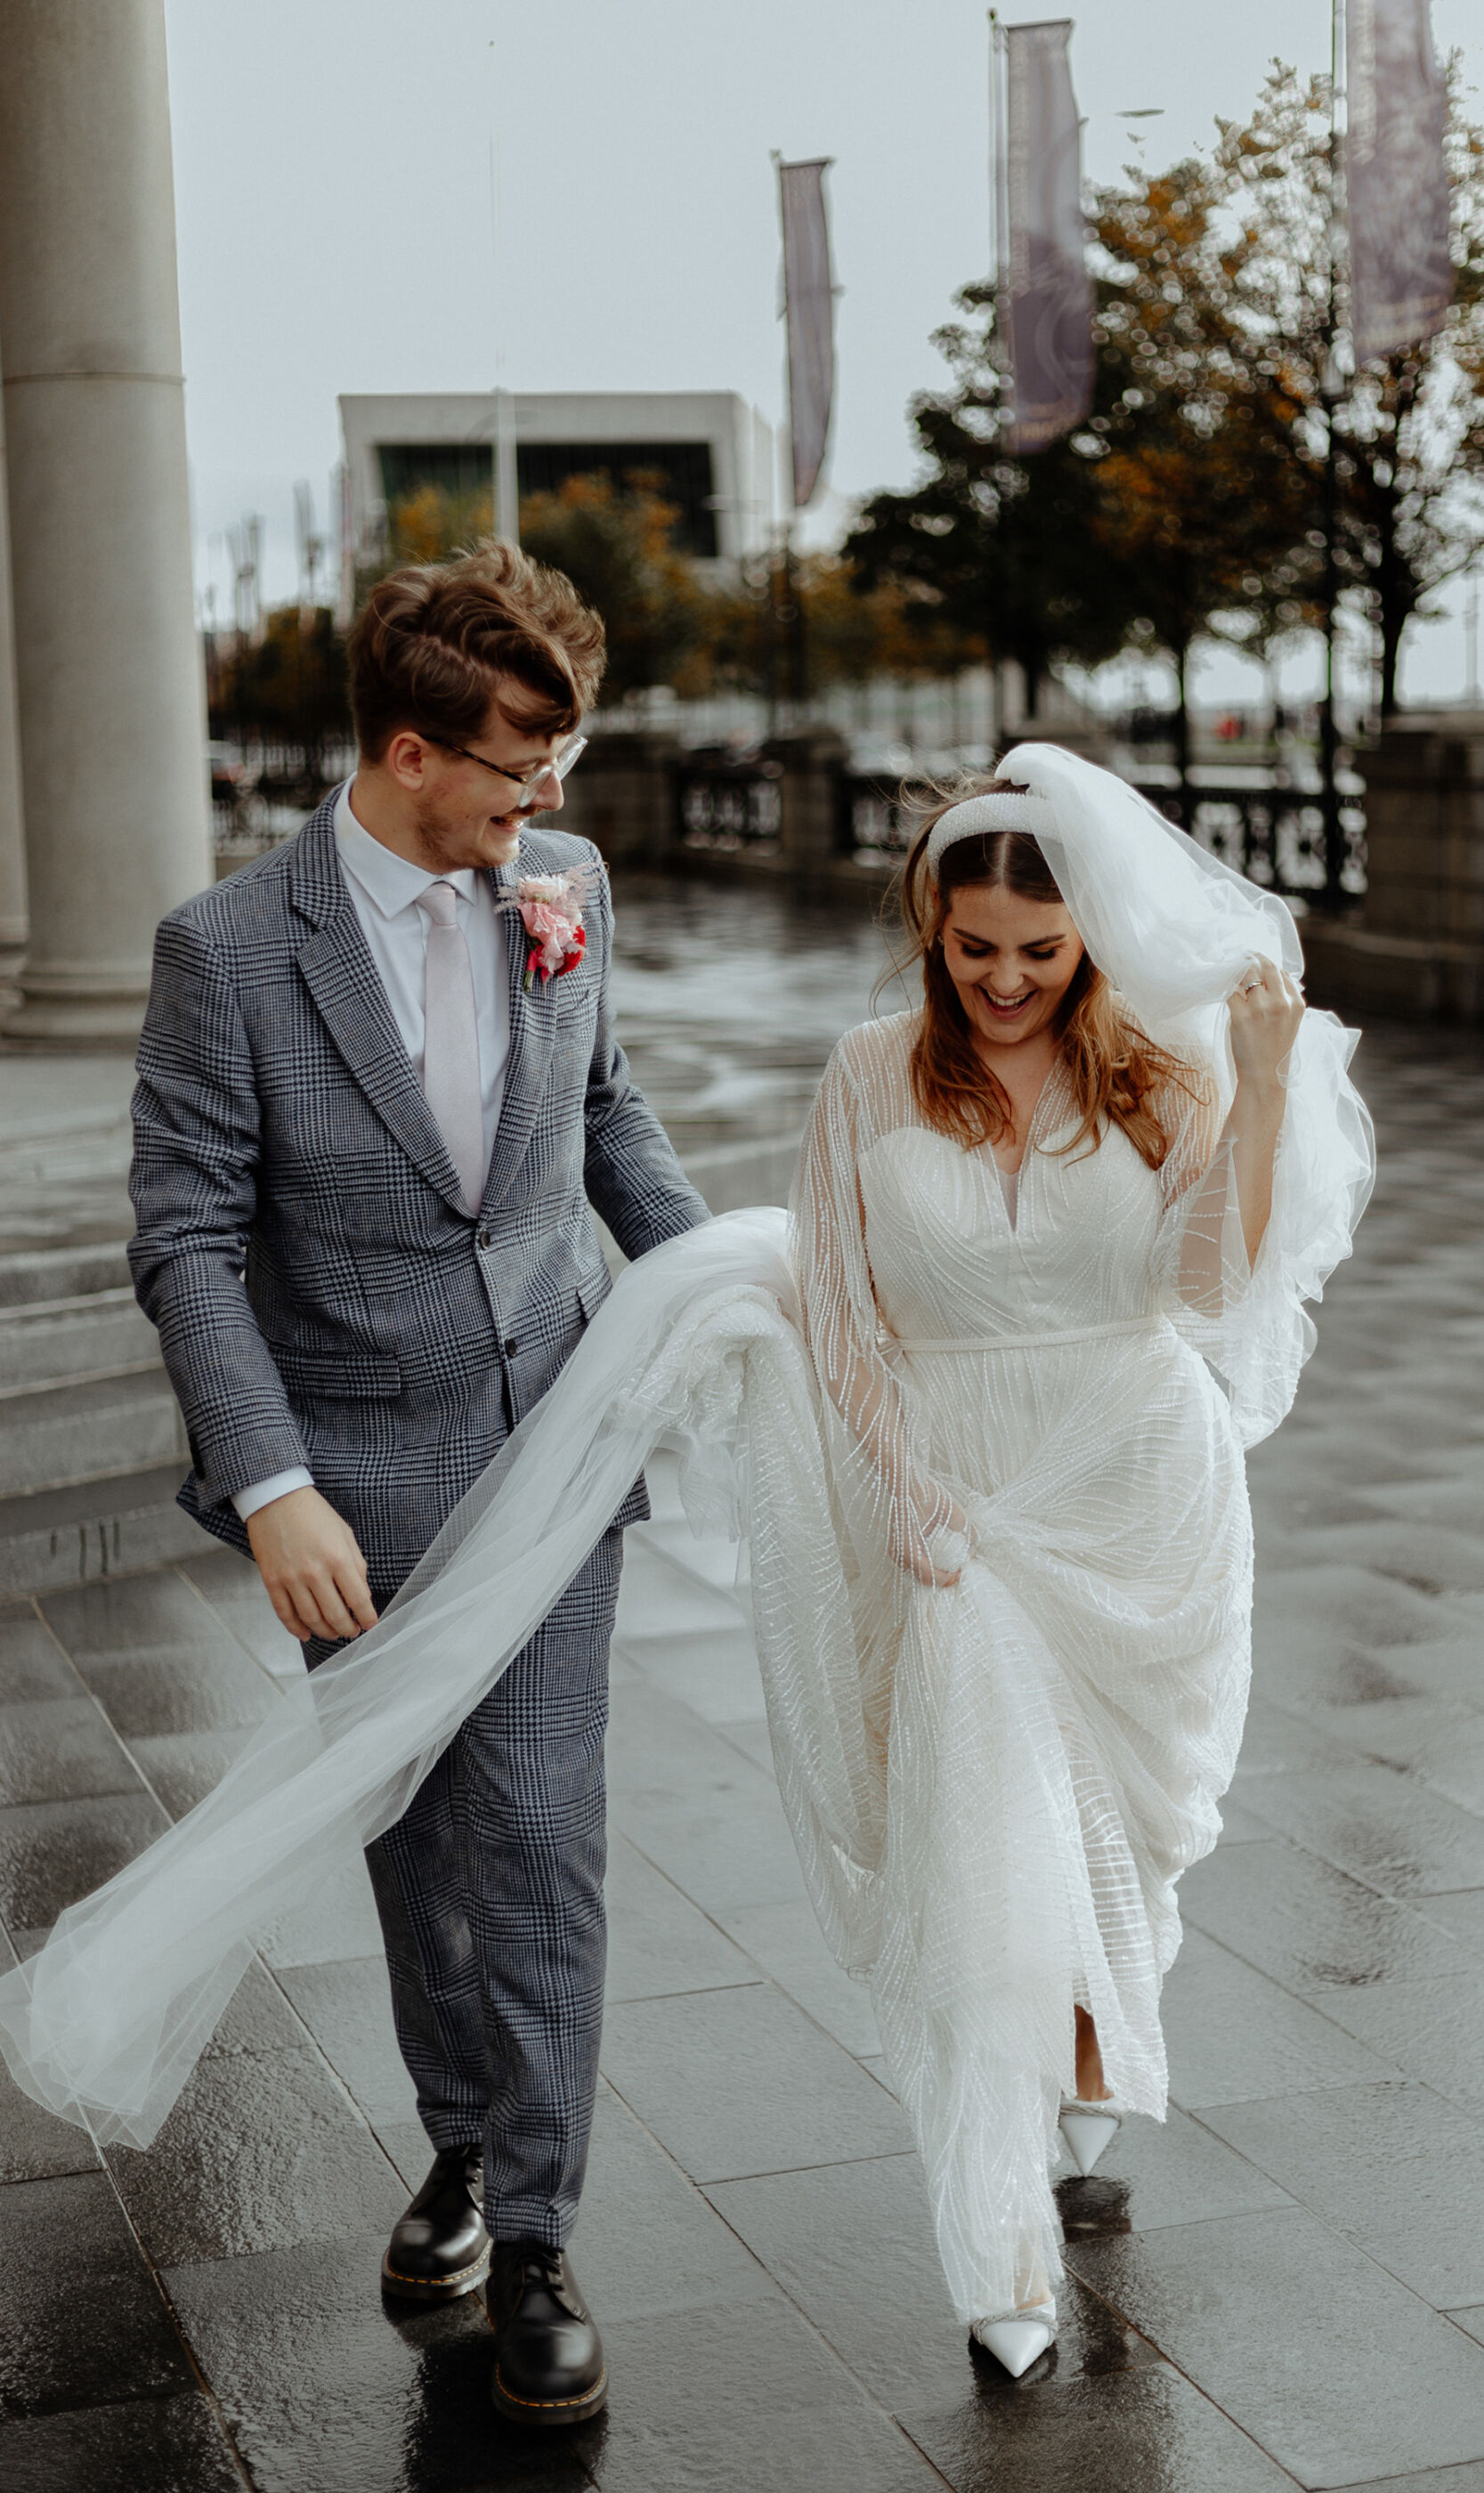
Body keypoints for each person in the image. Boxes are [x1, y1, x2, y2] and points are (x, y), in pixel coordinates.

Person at [0, 743, 1372, 2397]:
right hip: (950, 1503)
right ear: (929, 930)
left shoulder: (1159, 1071)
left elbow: (1208, 1288)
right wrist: (911, 1492)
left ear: (1088, 945)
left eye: (1040, 953)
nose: (1002, 982)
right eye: (971, 947)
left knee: (1127, 1844)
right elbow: (847, 1319)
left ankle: (1087, 2047)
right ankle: (994, 2238)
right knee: (976, 1846)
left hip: (1136, 1486)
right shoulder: (871, 1075)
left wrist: (1269, 1088)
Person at [125, 542, 709, 2428]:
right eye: (520, 770)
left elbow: (608, 1110)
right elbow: (191, 1238)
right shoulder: (227, 953)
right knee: (424, 1851)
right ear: (404, 753)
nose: (552, 805)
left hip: (557, 1432)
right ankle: (458, 2139)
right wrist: (272, 1478)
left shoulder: (568, 888)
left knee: (541, 1830)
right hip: (354, 1483)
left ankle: (533, 2228)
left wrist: (718, 1293)